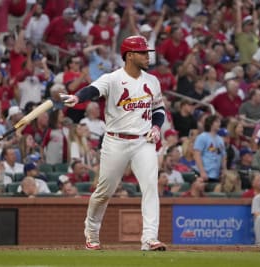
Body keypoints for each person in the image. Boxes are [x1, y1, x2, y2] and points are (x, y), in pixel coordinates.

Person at [62, 36, 166, 251]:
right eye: (143, 52)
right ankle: (91, 231)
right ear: (129, 55)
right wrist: (77, 98)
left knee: (150, 188)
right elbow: (92, 90)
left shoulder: (152, 81)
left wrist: (156, 128)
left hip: (143, 142)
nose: (148, 56)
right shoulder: (113, 79)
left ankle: (149, 238)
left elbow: (158, 110)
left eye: (147, 52)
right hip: (115, 141)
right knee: (104, 191)